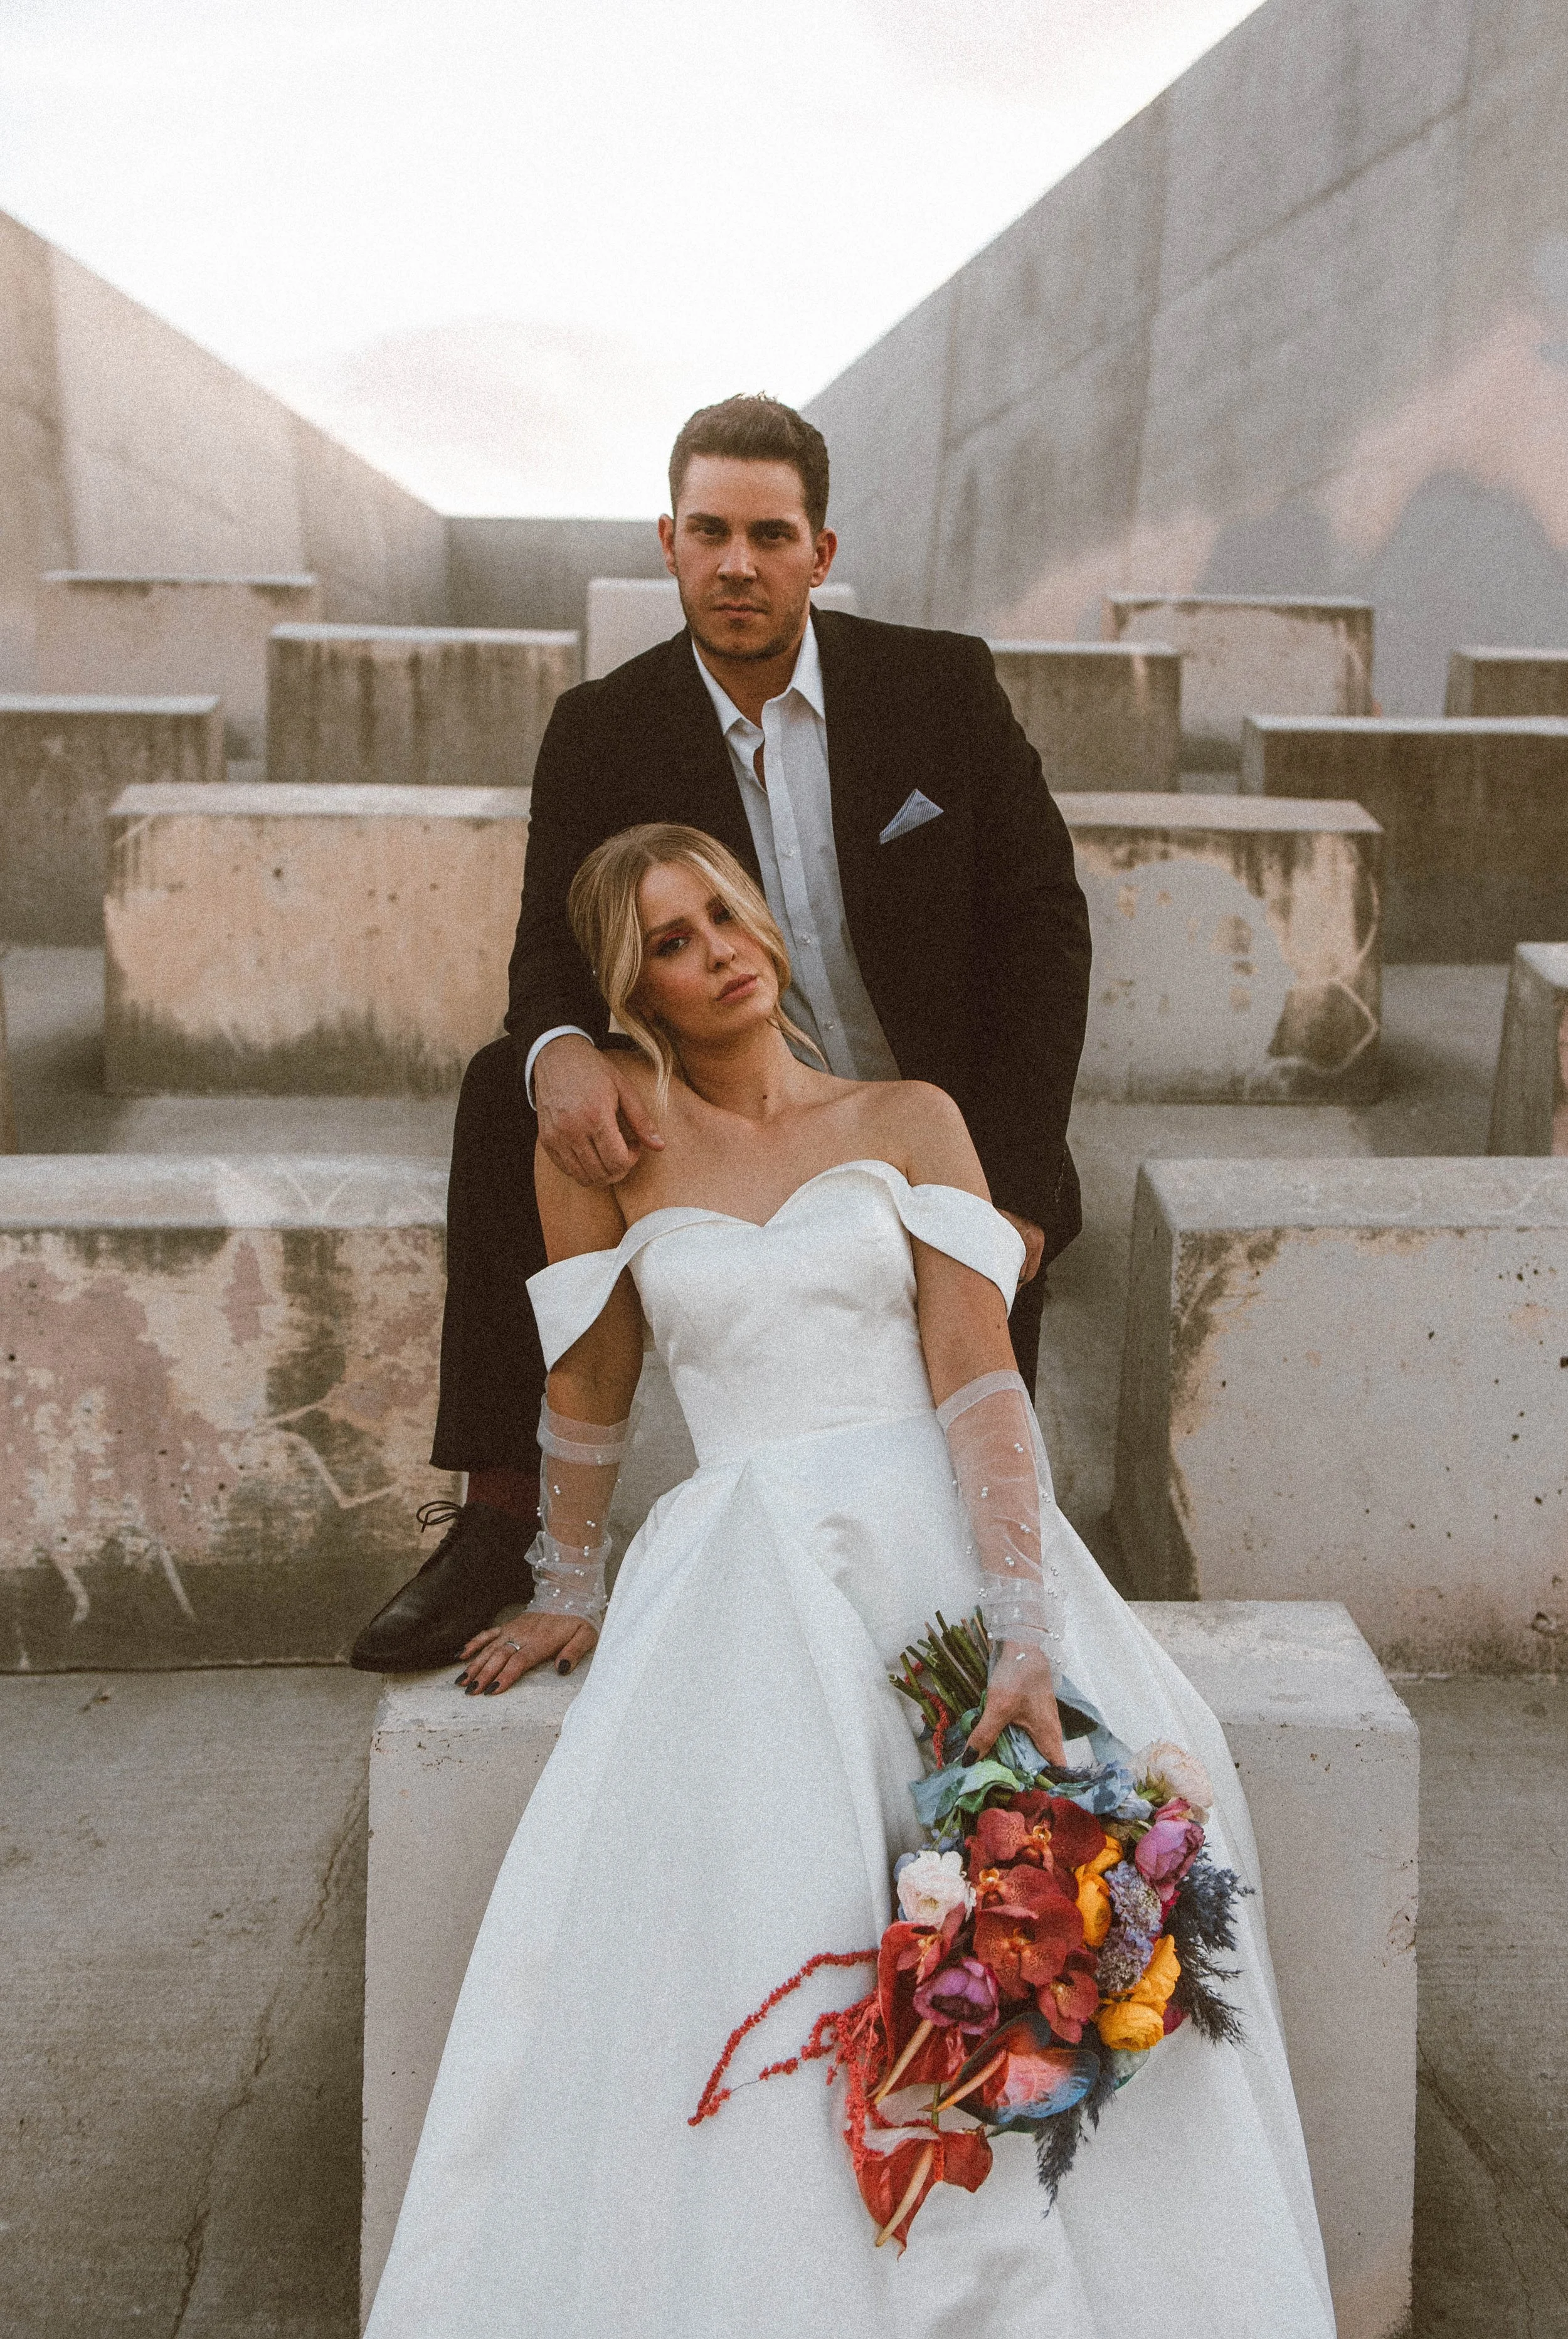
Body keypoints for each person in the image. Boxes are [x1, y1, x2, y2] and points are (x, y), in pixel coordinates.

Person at [363, 826, 1335, 2339]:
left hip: (933, 1537)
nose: (714, 952)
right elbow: (591, 1385)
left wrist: (1022, 1621)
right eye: (670, 945)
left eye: (722, 915)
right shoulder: (610, 1150)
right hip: (740, 1564)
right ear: (638, 994)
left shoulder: (908, 1116)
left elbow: (975, 1376)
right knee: (758, 1907)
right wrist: (565, 1575)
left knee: (1039, 1878)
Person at [351, 391, 1092, 1674]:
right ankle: (500, 1518)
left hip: (923, 1124)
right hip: (723, 1105)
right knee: (500, 1090)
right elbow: (546, 945)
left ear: (821, 551)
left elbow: (1043, 933)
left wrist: (1013, 1191)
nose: (735, 563)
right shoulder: (603, 726)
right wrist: (560, 1050)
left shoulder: (938, 686)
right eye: (708, 532)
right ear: (667, 540)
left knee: (967, 1524)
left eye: (767, 533)